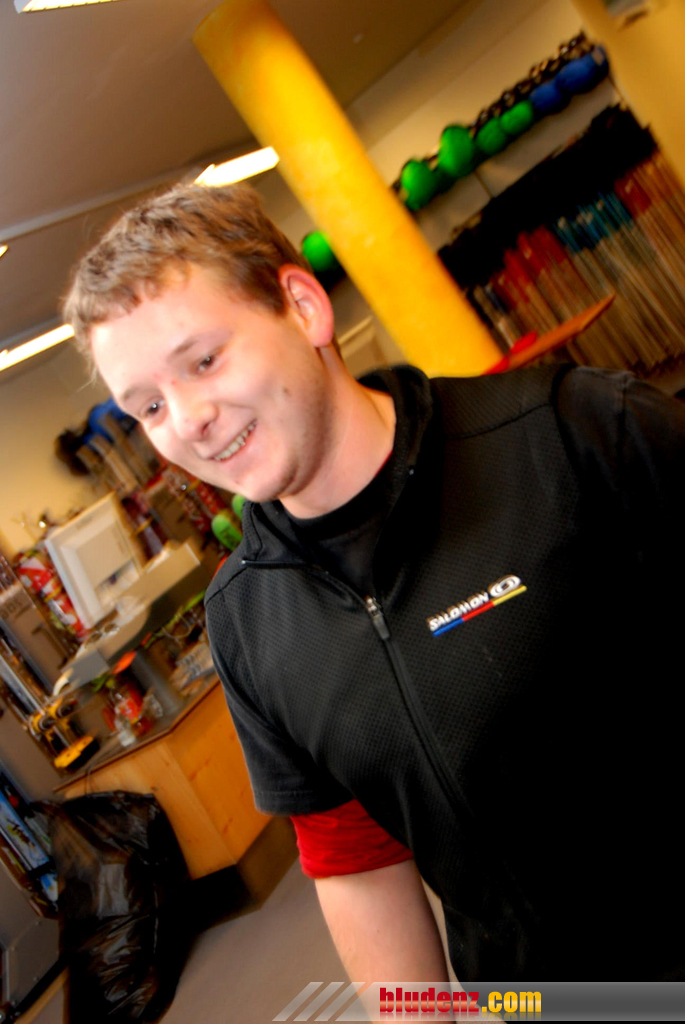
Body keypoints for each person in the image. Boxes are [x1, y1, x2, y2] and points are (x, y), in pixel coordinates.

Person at [63, 182, 685, 983]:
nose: (186, 421)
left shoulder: (575, 435)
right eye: (147, 406)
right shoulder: (248, 622)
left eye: (204, 360)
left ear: (302, 307)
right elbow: (353, 864)